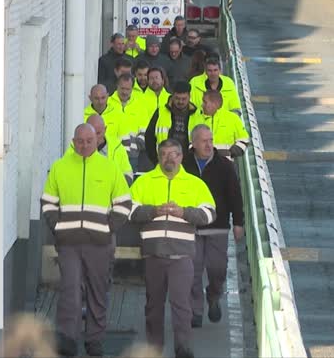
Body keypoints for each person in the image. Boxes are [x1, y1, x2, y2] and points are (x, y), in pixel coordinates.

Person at [41, 124, 132, 357]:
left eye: (89, 141)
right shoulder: (60, 167)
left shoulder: (110, 168)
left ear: (97, 140)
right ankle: (67, 340)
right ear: (73, 141)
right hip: (68, 243)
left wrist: (108, 228)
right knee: (69, 291)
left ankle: (94, 341)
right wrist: (58, 227)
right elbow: (48, 202)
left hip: (99, 244)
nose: (84, 145)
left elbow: (124, 203)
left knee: (97, 293)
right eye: (80, 141)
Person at [128, 139, 216, 358]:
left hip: (182, 256)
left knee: (181, 305)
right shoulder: (144, 182)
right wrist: (153, 211)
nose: (169, 158)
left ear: (181, 156)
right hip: (153, 255)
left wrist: (184, 212)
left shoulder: (195, 184)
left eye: (174, 154)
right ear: (159, 157)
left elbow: (209, 214)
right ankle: (154, 350)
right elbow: (129, 211)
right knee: (153, 306)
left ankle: (183, 349)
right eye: (165, 154)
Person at [182, 125, 244, 328]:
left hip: (218, 225)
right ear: (193, 143)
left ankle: (214, 295)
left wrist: (238, 223)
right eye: (204, 141)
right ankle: (195, 310)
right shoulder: (183, 164)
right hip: (191, 226)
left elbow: (235, 195)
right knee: (193, 270)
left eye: (211, 140)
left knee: (217, 268)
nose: (209, 145)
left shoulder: (224, 165)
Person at [145, 81, 197, 165]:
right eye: (177, 98)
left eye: (184, 99)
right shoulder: (160, 112)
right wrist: (156, 160)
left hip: (190, 163)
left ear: (189, 96)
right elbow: (149, 137)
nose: (180, 102)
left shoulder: (197, 114)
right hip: (164, 162)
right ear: (172, 96)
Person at [187, 91, 250, 160]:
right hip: (201, 163)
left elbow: (244, 140)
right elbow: (188, 141)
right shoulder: (193, 118)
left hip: (225, 163)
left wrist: (231, 153)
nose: (202, 105)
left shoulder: (232, 118)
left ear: (215, 104)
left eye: (205, 102)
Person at [86, 114, 133, 184]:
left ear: (105, 130)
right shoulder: (77, 149)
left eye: (98, 133)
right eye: (91, 133)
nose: (95, 138)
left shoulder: (117, 147)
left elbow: (128, 175)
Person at [84, 84, 129, 151]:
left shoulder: (117, 114)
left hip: (113, 154)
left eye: (103, 98)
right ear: (90, 98)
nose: (100, 102)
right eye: (96, 98)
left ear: (108, 96)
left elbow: (125, 140)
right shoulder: (82, 115)